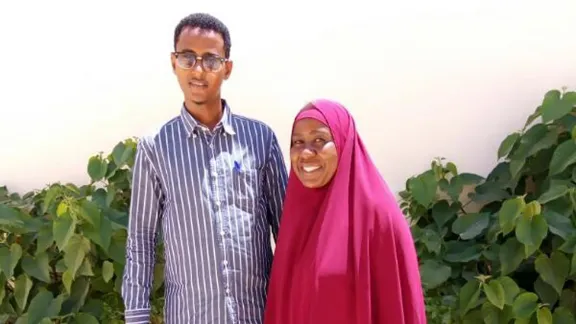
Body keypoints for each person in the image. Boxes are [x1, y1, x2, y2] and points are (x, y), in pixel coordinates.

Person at [121, 13, 288, 324]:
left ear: (227, 68)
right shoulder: (156, 146)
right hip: (191, 316)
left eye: (211, 60)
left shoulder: (260, 139)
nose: (198, 70)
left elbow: (288, 231)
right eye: (188, 58)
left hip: (258, 314)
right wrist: (136, 317)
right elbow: (140, 239)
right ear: (173, 63)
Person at [263, 99, 427, 324]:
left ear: (343, 142)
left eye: (319, 140)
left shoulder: (378, 218)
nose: (306, 152)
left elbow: (398, 310)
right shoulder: (296, 219)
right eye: (297, 142)